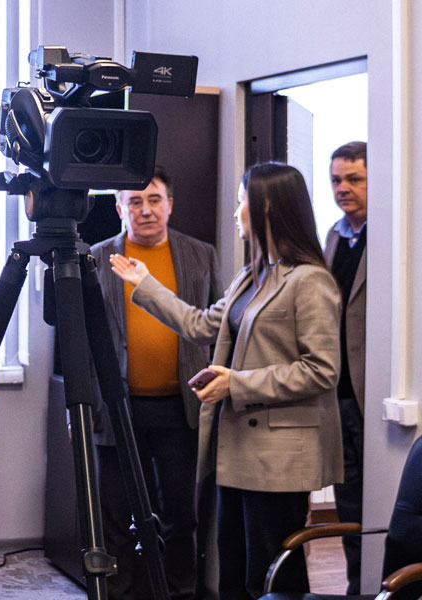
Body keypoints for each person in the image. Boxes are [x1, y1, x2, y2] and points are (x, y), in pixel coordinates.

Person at [110, 162, 343, 600]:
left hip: (278, 459)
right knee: (231, 572)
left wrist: (236, 383)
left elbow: (321, 369)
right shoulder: (252, 275)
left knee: (270, 578)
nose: (236, 213)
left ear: (266, 207)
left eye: (241, 203)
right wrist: (146, 284)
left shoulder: (310, 280)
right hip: (235, 449)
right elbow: (200, 325)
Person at [90, 166, 221, 600]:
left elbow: (219, 332)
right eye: (135, 201)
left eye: (154, 200)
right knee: (116, 515)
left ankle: (180, 590)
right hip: (116, 406)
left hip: (181, 407)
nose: (145, 210)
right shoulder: (97, 258)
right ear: (119, 209)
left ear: (170, 204)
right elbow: (81, 339)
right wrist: (83, 407)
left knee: (180, 514)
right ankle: (122, 593)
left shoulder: (200, 255)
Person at [324, 141, 367, 594]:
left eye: (354, 179)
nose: (343, 188)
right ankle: (356, 587)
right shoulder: (334, 236)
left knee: (380, 500)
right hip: (336, 392)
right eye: (337, 180)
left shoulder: (387, 235)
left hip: (370, 390)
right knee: (348, 503)